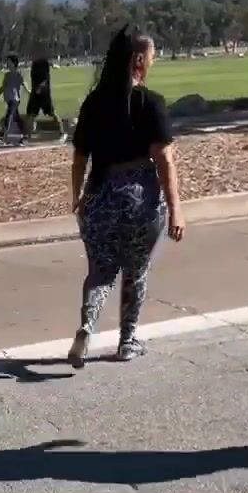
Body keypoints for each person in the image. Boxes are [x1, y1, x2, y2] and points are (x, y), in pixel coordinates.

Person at [68, 27, 185, 366]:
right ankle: (127, 341)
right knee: (135, 270)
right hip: (139, 200)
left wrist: (78, 198)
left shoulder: (93, 103)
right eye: (151, 57)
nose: (152, 62)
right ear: (138, 61)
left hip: (99, 197)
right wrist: (176, 209)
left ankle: (87, 325)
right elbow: (164, 160)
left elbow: (79, 159)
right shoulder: (151, 103)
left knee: (100, 271)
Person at [27, 56, 64, 138]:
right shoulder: (35, 64)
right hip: (36, 94)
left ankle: (61, 131)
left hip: (44, 95)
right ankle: (28, 135)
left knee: (51, 113)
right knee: (31, 114)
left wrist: (39, 88)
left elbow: (45, 79)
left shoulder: (42, 64)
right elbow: (35, 79)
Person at [0, 54, 28, 142]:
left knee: (9, 116)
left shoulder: (18, 74)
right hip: (9, 99)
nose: (7, 63)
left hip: (14, 99)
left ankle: (4, 135)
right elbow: (3, 87)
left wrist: (29, 92)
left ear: (13, 63)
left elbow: (24, 84)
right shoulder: (7, 75)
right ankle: (25, 134)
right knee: (16, 118)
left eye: (9, 62)